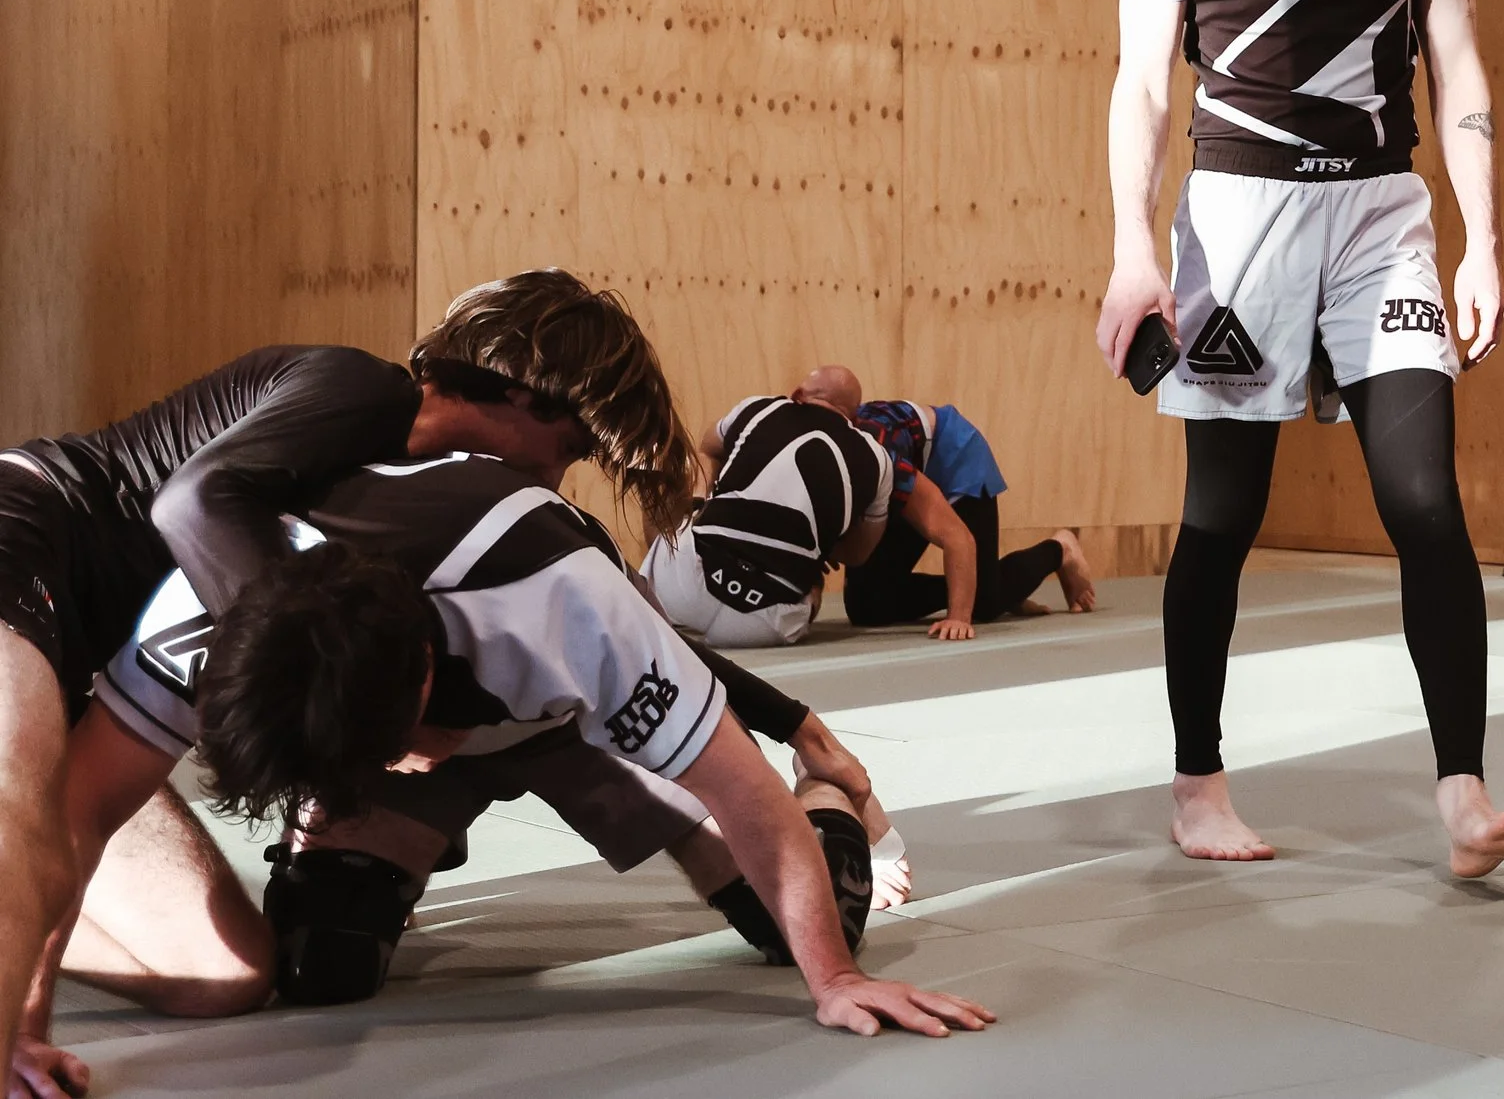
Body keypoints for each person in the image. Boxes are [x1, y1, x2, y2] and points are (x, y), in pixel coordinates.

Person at [61, 448, 991, 1049]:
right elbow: (78, 810)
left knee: (798, 923)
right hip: (383, 686)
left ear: (426, 686)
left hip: (572, 722)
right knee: (321, 960)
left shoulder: (565, 607)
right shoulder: (209, 610)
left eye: (386, 757)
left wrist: (836, 979)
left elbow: (744, 795)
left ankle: (829, 793)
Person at [1093, 0, 1504, 876]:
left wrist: (1483, 242)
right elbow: (1139, 85)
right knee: (1223, 514)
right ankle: (1197, 786)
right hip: (1236, 221)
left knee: (1425, 503)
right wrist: (1135, 253)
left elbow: (1456, 65)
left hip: (1382, 218)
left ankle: (1463, 794)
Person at [0, 344, 424, 1092]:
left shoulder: (384, 533)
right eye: (565, 444)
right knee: (18, 808)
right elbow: (190, 499)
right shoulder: (364, 396)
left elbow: (84, 812)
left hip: (74, 678)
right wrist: (18, 1039)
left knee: (224, 974)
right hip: (20, 529)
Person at [819, 367, 1098, 638]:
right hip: (906, 473)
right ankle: (997, 586)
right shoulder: (817, 457)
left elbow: (956, 536)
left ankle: (1060, 550)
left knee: (983, 605)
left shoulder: (878, 455)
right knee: (867, 606)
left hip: (954, 455)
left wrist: (959, 617)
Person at [639, 367, 897, 649]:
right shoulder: (879, 460)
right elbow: (858, 555)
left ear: (797, 395)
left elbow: (707, 447)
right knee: (812, 575)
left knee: (673, 474)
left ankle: (651, 600)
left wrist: (702, 502)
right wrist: (819, 539)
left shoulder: (759, 408)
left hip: (683, 591)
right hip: (764, 623)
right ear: (855, 419)